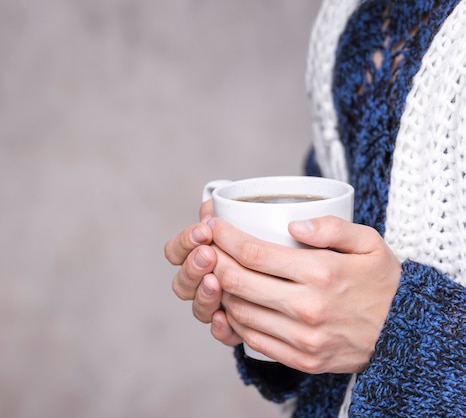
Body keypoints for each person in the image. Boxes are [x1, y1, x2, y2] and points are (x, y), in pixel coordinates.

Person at [164, 0, 466, 416]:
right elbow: (336, 282)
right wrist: (272, 307)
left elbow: (375, 319)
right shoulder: (344, 19)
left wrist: (403, 332)